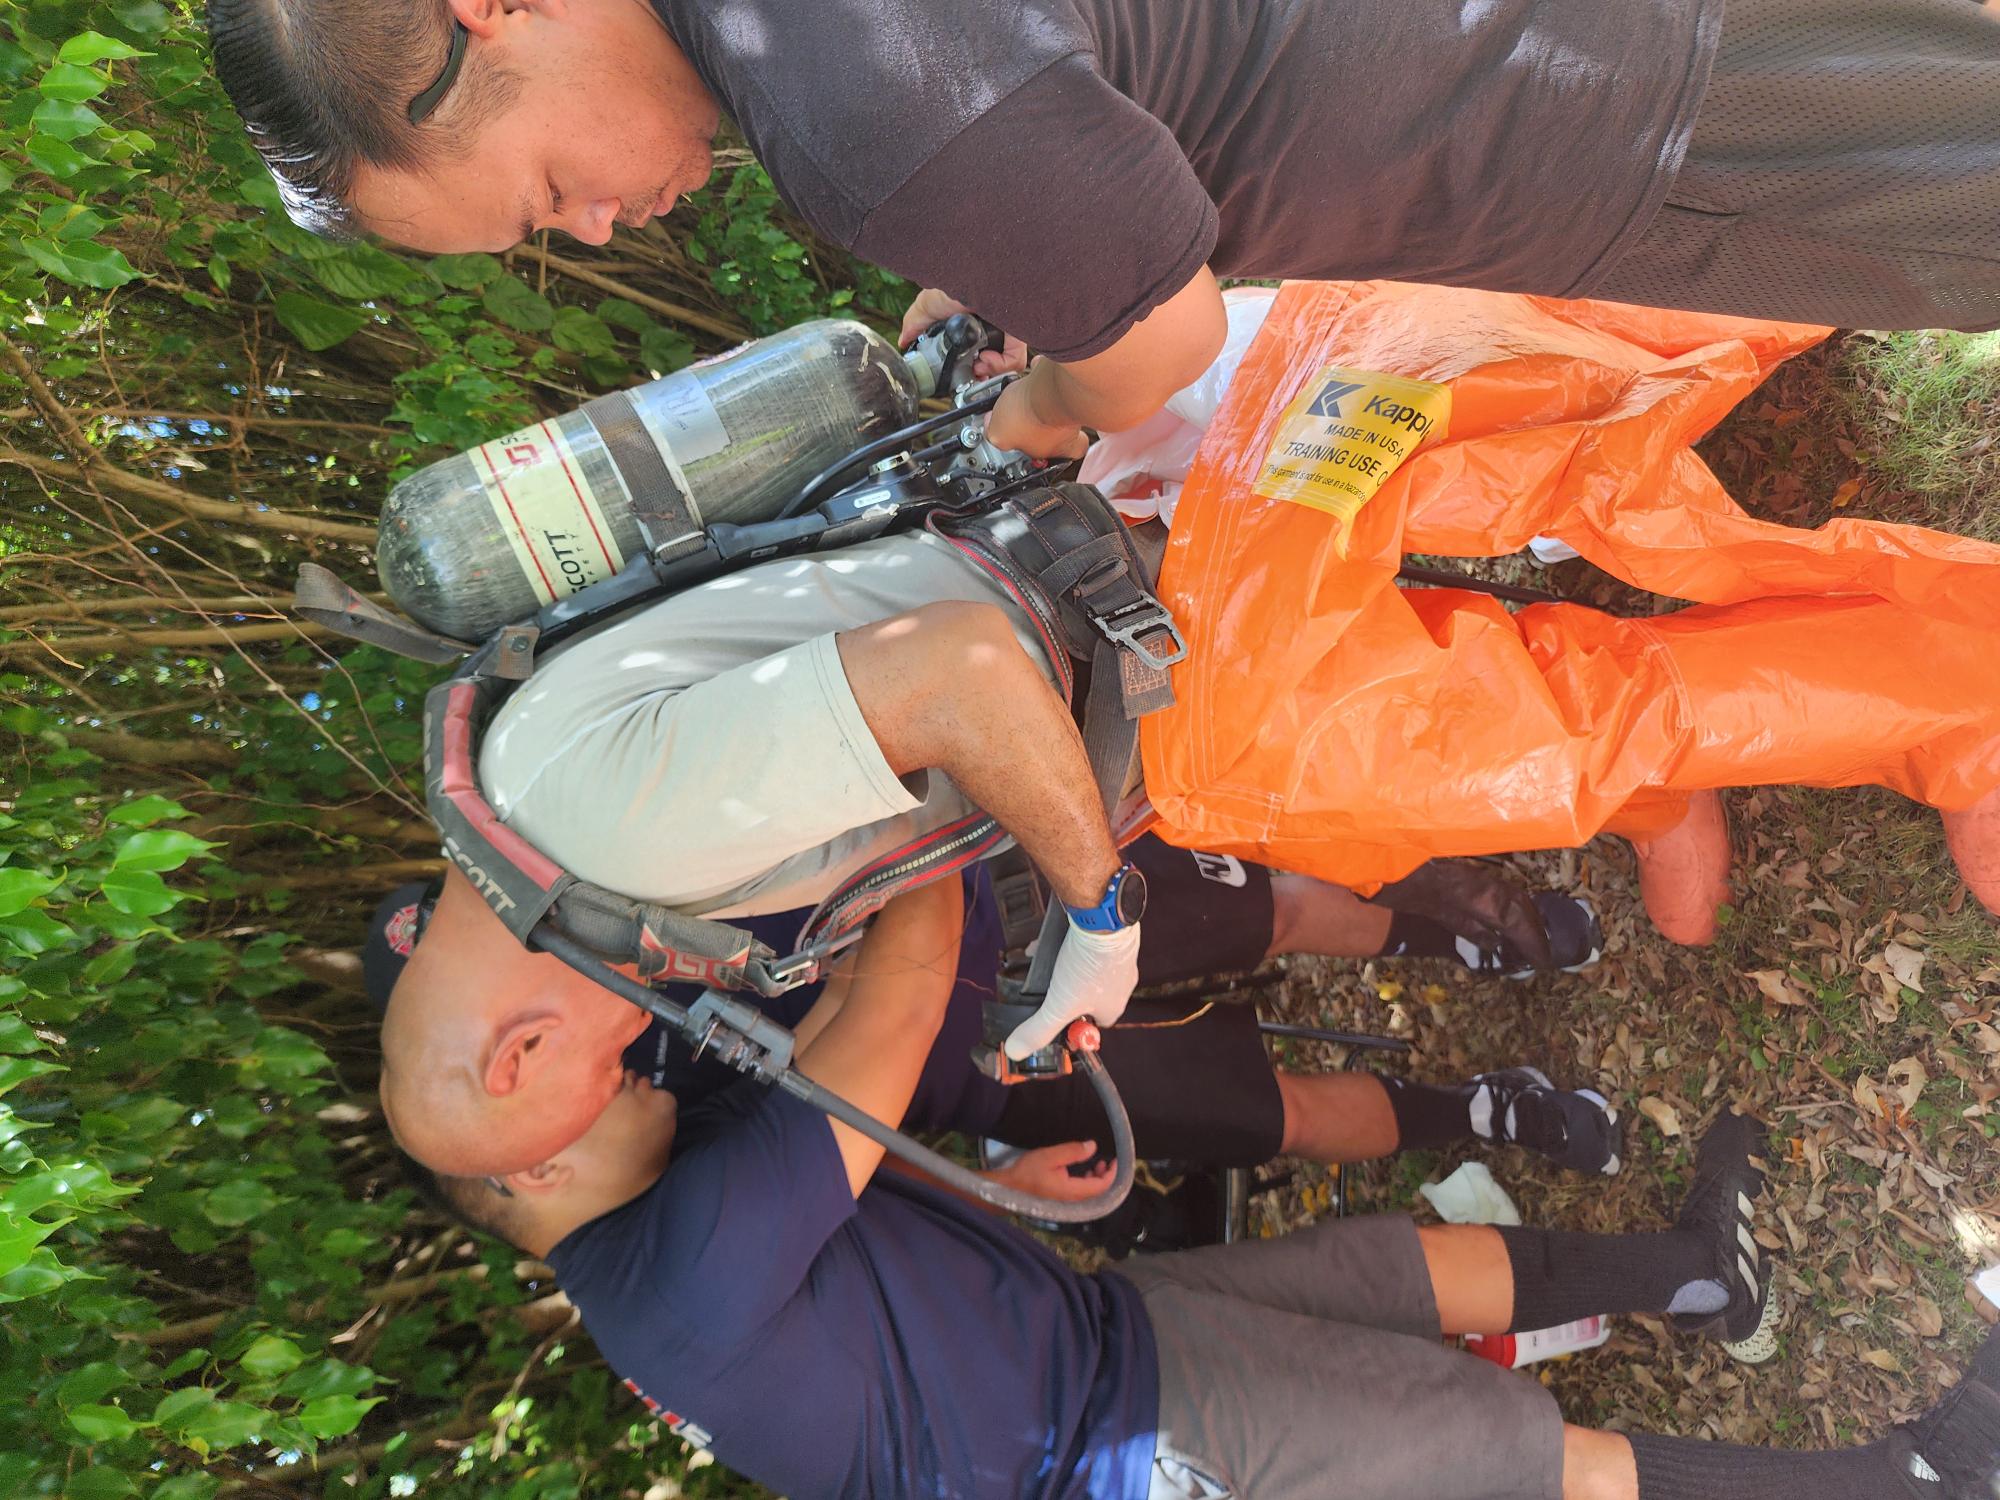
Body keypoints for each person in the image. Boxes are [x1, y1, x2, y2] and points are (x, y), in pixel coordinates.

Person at [395, 878, 2000, 1500]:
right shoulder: (667, 1282)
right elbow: (884, 1017)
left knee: (1388, 1274)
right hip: (1113, 1450)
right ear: (527, 1156)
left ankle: (1694, 1278)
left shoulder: (654, 1206)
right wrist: (940, 809)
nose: (627, 1052)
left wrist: (993, 1171)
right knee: (1501, 1455)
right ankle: (1915, 1483)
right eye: (592, 1063)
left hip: (1096, 1335)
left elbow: (848, 1221)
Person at [205, 0, 2000, 455]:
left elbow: (1158, 355)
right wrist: (1001, 270)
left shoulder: (860, 130)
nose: (598, 230)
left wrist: (1044, 401)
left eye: (544, 197)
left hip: (1596, 118)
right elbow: (1061, 80)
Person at [372, 832, 1622, 1183]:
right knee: (1256, 1113)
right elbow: (814, 1164)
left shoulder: (608, 847)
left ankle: (1447, 933)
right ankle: (1480, 1111)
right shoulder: (597, 1106)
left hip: (1008, 892)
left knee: (1259, 906)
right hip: (983, 1067)